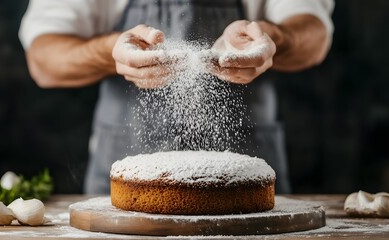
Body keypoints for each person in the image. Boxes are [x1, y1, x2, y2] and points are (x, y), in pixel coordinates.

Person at [19, 0, 334, 194]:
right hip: (123, 192)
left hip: (249, 188)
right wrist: (111, 52)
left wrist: (272, 38)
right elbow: (43, 59)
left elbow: (314, 34)